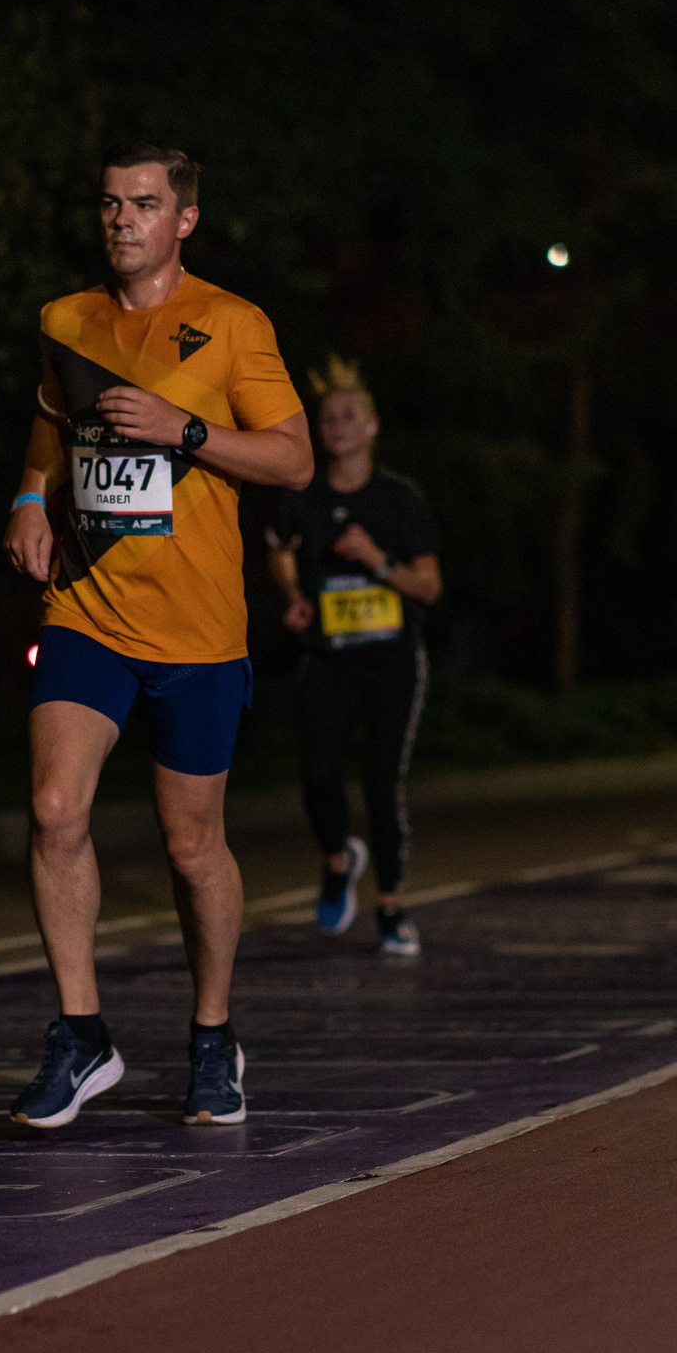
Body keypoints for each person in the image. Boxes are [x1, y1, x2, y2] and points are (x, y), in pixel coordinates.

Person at [0, 144, 312, 1128]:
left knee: (190, 846)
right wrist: (27, 495)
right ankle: (81, 1035)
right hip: (87, 606)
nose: (120, 219)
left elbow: (293, 459)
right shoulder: (66, 321)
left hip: (197, 630)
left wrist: (183, 432)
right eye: (108, 203)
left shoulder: (229, 323)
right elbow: (52, 419)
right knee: (54, 809)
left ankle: (213, 1033)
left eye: (143, 204)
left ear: (183, 221)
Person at [265, 357, 443, 956]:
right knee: (317, 774)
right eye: (328, 417)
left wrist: (376, 560)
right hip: (329, 657)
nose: (338, 424)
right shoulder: (302, 497)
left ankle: (391, 906)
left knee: (381, 779)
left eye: (349, 415)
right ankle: (339, 860)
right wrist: (292, 596)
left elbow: (430, 587)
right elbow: (280, 553)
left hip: (392, 660)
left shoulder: (399, 499)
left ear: (372, 427)